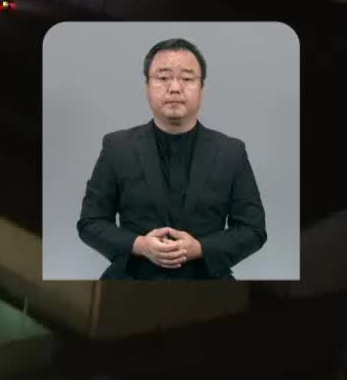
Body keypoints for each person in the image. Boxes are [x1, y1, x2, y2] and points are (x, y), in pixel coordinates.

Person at [76, 37, 267, 280]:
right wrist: (140, 245)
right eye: (163, 78)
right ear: (147, 87)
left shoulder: (231, 152)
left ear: (202, 89)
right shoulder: (116, 147)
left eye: (187, 79)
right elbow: (90, 222)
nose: (175, 88)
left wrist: (200, 249)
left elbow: (253, 230)